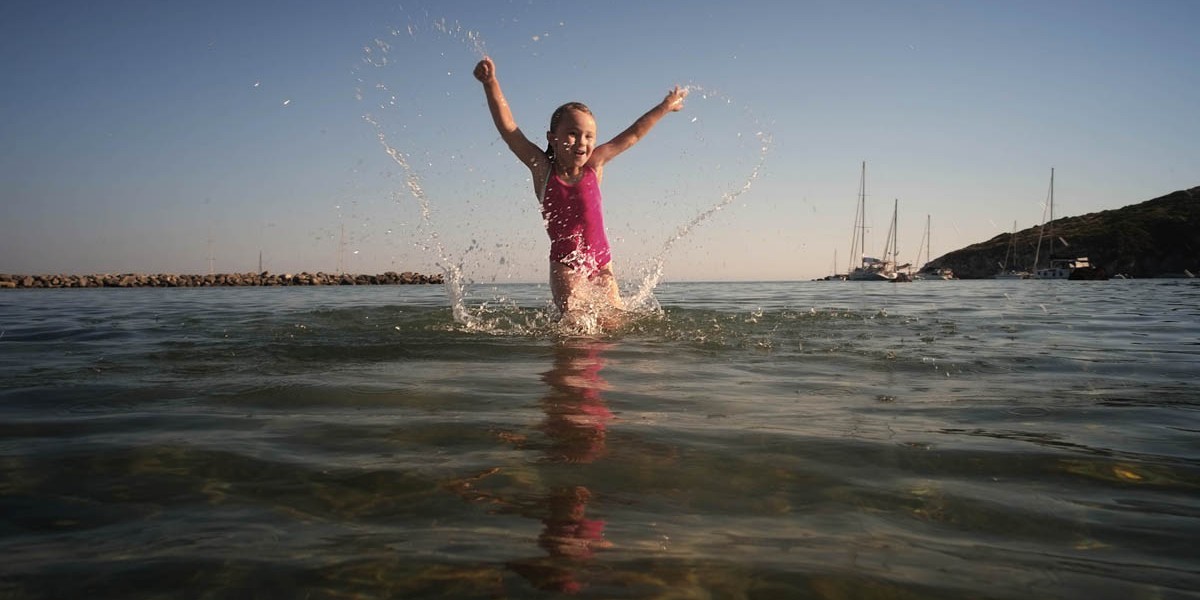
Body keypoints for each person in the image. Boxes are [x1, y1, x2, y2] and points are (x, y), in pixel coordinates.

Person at [473, 56, 687, 319]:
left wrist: (665, 106)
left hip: (602, 266)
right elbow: (509, 130)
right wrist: (490, 82)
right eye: (573, 133)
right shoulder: (543, 170)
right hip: (566, 266)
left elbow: (633, 134)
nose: (581, 143)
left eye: (589, 136)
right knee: (576, 325)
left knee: (612, 326)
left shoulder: (594, 165)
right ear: (553, 138)